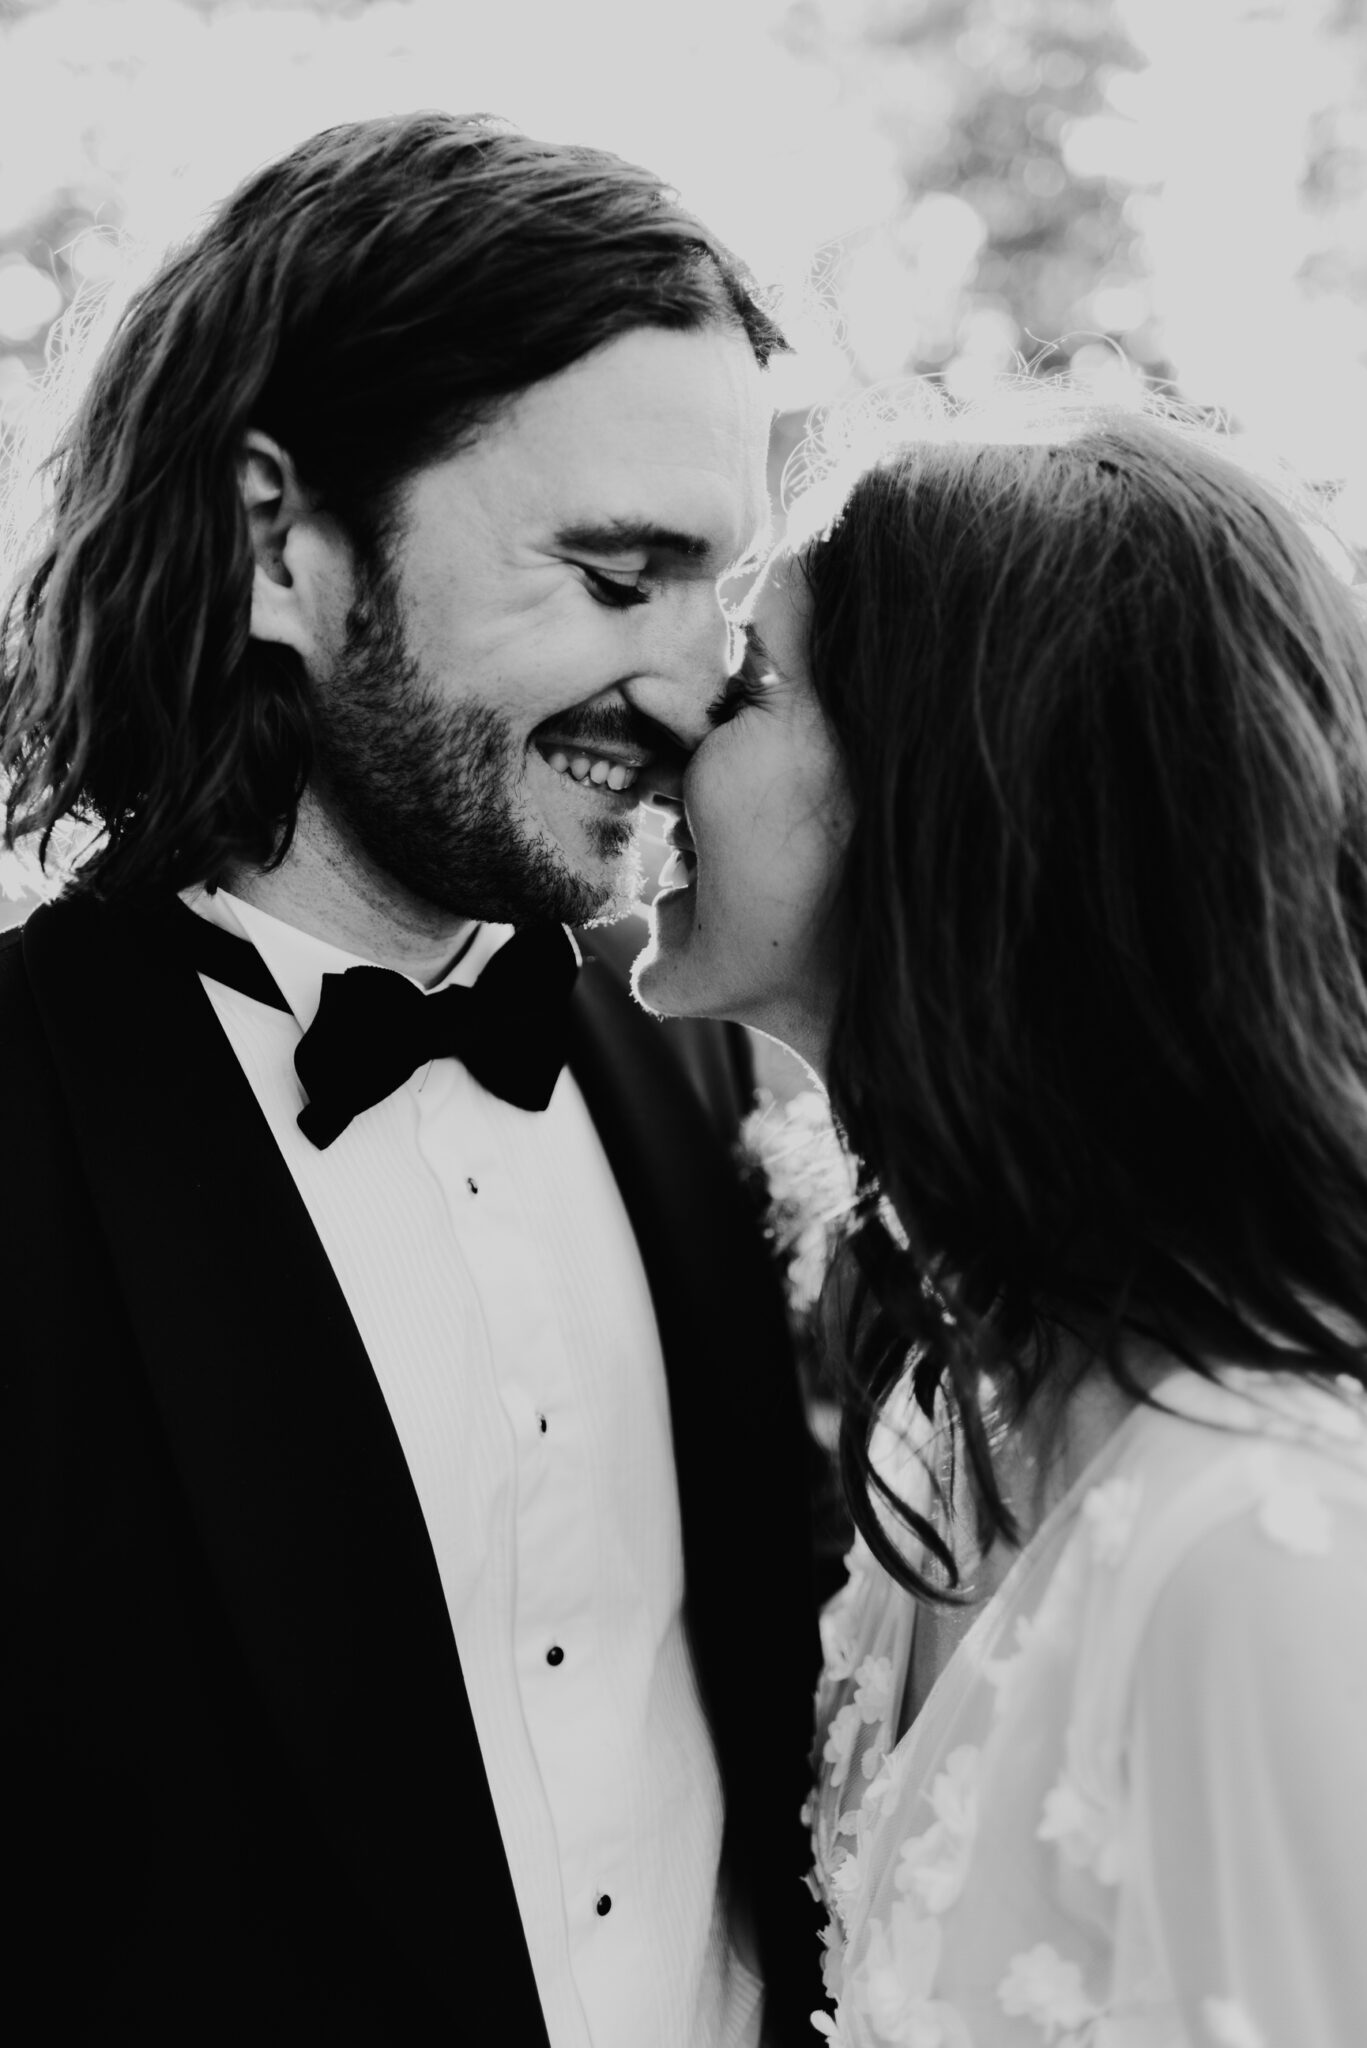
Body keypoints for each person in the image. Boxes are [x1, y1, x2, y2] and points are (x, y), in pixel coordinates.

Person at [0, 112, 823, 2046]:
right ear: (276, 541)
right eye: (621, 575)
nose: (703, 680)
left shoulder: (715, 1047)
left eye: (722, 588)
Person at [635, 391, 1367, 2045]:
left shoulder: (1258, 1556)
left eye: (751, 680)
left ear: (952, 796)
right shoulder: (940, 1431)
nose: (669, 712)